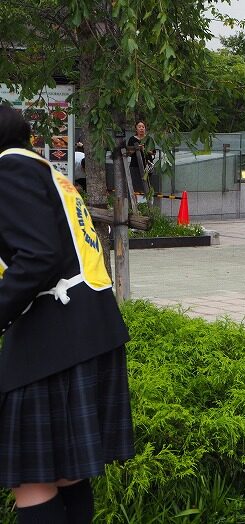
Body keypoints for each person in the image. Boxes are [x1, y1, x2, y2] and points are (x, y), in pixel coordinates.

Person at [0, 106, 134, 523]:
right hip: (86, 330)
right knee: (65, 476)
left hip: (52, 340)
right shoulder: (47, 172)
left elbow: (38, 256)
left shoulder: (8, 172)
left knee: (33, 481)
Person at [127, 120, 155, 196]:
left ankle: (148, 200)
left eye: (143, 127)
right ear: (136, 129)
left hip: (147, 165)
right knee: (135, 183)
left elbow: (153, 152)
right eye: (139, 127)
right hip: (135, 165)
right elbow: (129, 153)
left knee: (147, 183)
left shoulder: (149, 139)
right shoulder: (132, 139)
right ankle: (135, 202)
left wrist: (144, 149)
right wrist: (136, 148)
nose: (141, 128)